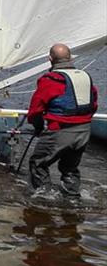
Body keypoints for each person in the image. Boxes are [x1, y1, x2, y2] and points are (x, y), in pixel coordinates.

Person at [27, 43, 98, 197]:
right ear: (70, 57)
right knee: (70, 168)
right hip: (84, 131)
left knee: (38, 163)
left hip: (60, 130)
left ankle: (44, 198)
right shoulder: (85, 77)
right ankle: (72, 198)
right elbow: (93, 104)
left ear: (50, 59)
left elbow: (35, 110)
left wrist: (38, 127)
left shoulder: (50, 79)